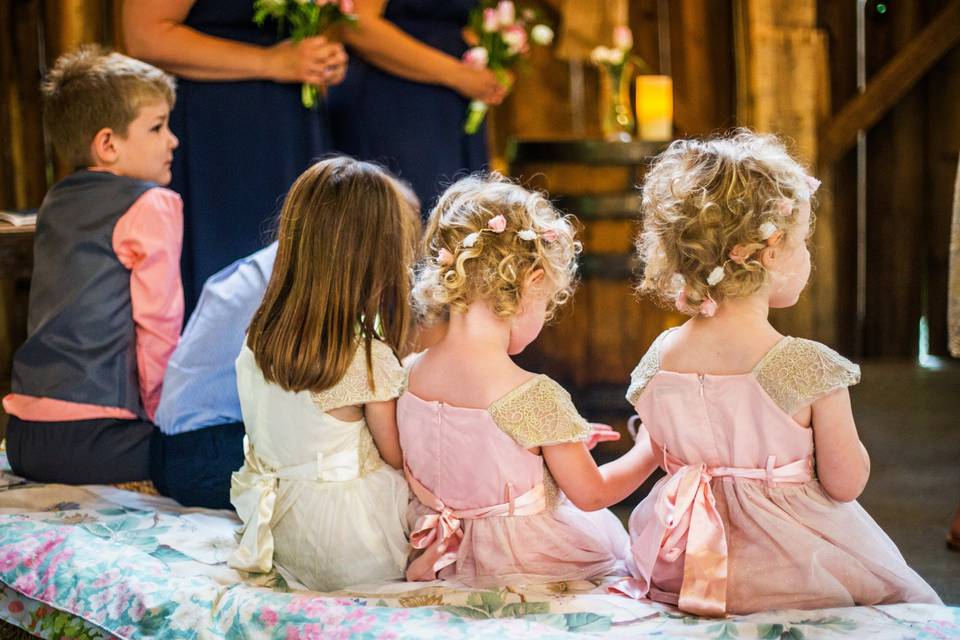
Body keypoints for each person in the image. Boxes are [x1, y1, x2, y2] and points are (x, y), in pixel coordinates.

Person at [614, 131, 942, 615]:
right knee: (901, 596)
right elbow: (845, 483)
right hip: (790, 572)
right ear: (769, 252)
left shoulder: (660, 357)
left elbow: (663, 452)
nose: (807, 256)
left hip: (681, 564)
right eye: (802, 243)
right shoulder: (802, 365)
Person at [398, 174, 656, 586]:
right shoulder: (531, 396)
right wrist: (649, 449)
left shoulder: (410, 372)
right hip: (526, 562)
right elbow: (591, 495)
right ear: (532, 281)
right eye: (548, 303)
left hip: (446, 558)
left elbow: (461, 454)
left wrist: (549, 452)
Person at [151, 177, 420, 510]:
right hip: (204, 451)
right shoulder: (301, 284)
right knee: (351, 445)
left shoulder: (291, 265)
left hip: (173, 447)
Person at [228, 157, 419, 591]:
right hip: (349, 547)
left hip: (283, 532)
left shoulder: (257, 340)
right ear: (377, 255)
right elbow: (399, 458)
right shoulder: (364, 357)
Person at [3, 46, 183, 484]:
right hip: (98, 439)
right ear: (107, 144)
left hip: (25, 437)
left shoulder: (56, 201)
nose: (172, 140)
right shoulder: (152, 203)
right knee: (220, 452)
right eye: (158, 127)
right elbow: (159, 323)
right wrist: (169, 422)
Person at [122, 0, 348, 311]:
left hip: (291, 124)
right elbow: (145, 35)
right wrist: (271, 61)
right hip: (221, 133)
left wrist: (320, 56)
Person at [328, 0, 507, 213]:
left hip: (451, 105)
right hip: (398, 101)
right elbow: (358, 23)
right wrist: (457, 74)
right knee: (409, 214)